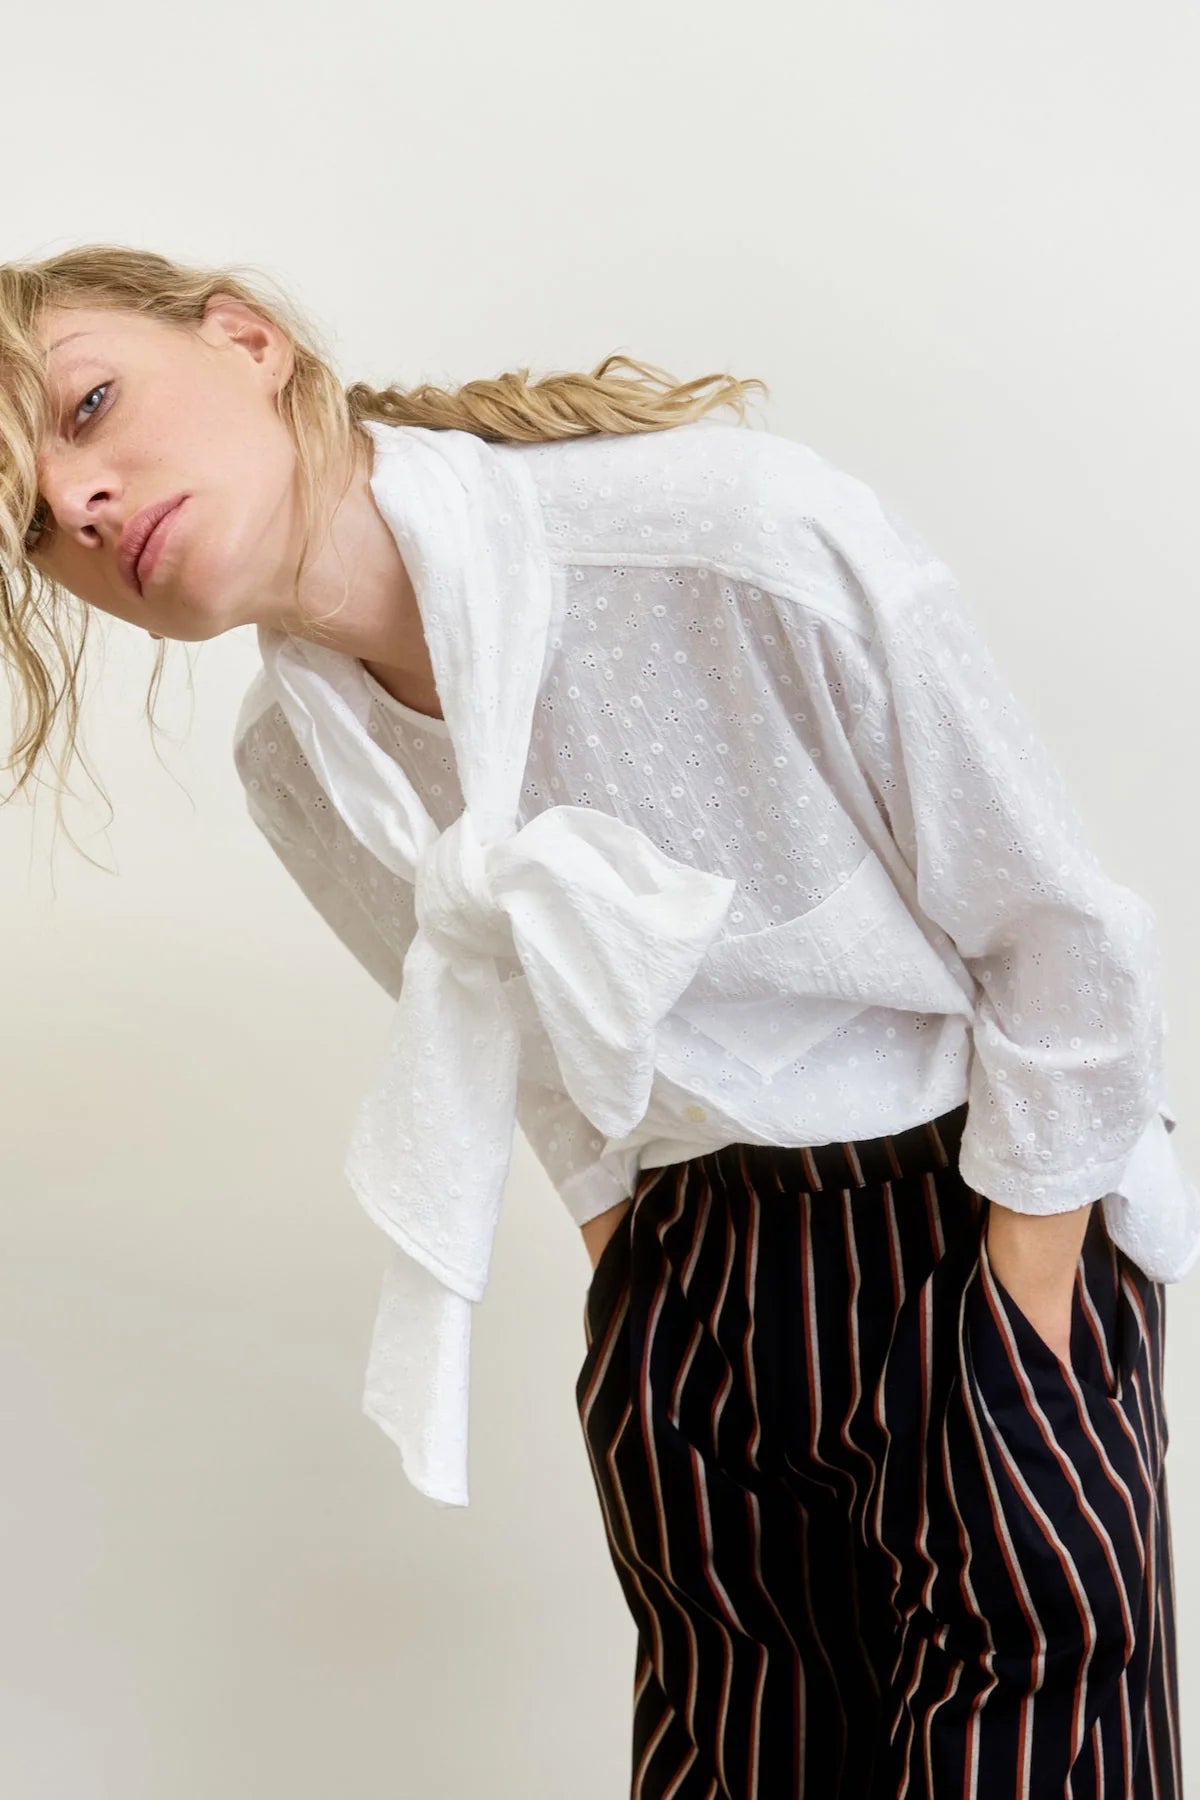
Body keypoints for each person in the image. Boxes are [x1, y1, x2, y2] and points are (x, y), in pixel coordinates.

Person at [2, 241, 1193, 1797]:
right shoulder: (297, 767)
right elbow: (545, 1064)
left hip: (970, 1231)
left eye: (90, 405)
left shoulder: (730, 535)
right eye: (33, 517)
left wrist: (1023, 1316)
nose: (82, 504)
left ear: (248, 341)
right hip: (692, 1300)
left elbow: (1058, 938)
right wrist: (640, 1300)